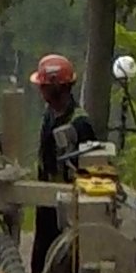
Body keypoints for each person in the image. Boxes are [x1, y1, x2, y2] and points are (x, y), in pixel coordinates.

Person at [29, 51, 99, 181]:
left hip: (70, 193)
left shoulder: (80, 124)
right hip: (47, 192)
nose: (40, 90)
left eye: (44, 86)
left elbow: (93, 168)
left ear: (56, 88)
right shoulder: (49, 115)